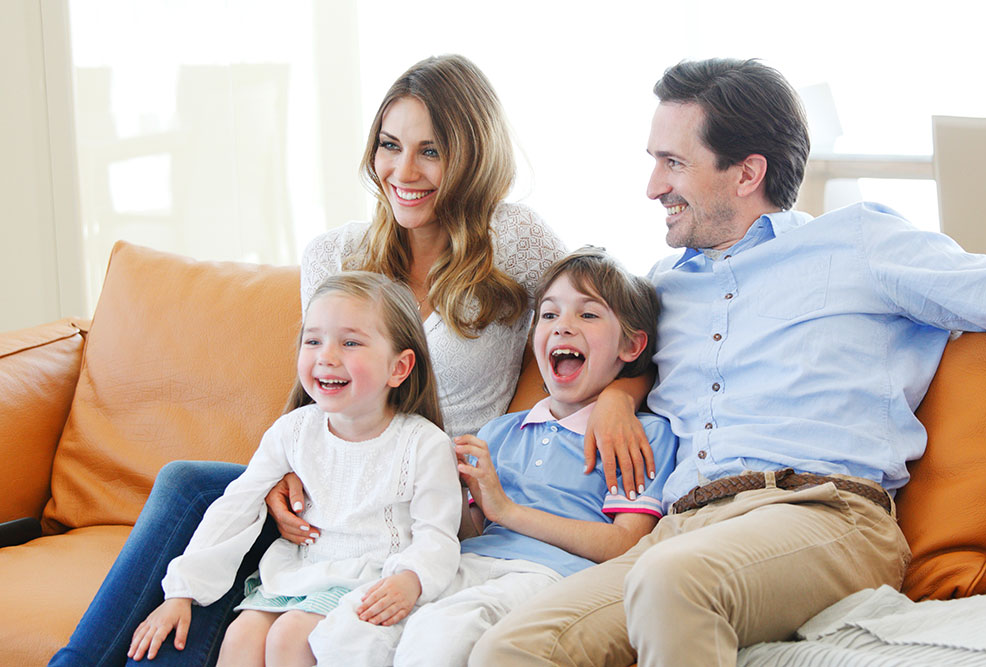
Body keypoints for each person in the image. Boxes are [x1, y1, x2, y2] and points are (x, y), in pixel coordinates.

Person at [51, 54, 649, 667]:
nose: (403, 170)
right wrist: (286, 474)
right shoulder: (334, 254)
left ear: (471, 157)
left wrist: (619, 397)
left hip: (430, 493)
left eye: (431, 151)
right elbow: (317, 389)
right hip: (338, 479)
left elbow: (607, 318)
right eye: (390, 145)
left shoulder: (513, 239)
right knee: (196, 494)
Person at [469, 58, 986, 666]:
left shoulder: (860, 243)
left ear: (748, 172)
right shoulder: (662, 287)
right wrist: (620, 395)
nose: (652, 187)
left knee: (675, 582)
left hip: (822, 513)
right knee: (511, 648)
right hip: (681, 529)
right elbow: (620, 353)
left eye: (673, 163)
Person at [127, 272, 461, 666]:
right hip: (300, 574)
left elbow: (438, 535)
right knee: (242, 635)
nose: (327, 356)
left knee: (290, 638)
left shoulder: (424, 444)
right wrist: (181, 592)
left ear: (399, 368)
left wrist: (412, 579)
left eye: (350, 342)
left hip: (375, 581)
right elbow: (237, 506)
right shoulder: (295, 430)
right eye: (313, 341)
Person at [391, 247, 678, 666]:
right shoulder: (500, 431)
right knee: (367, 624)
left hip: (549, 577)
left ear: (631, 346)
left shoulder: (641, 435)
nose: (563, 327)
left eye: (588, 314)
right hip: (470, 565)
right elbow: (475, 531)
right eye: (549, 315)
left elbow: (626, 545)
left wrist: (506, 510)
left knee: (443, 634)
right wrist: (448, 489)